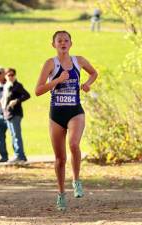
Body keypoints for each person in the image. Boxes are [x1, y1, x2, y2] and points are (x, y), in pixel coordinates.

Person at [35, 30, 98, 210]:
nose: (63, 43)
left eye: (66, 40)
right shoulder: (50, 64)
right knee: (60, 158)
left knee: (74, 145)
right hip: (56, 114)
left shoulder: (79, 61)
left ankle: (77, 180)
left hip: (75, 111)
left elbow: (94, 73)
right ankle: (61, 194)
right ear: (53, 44)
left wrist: (87, 84)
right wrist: (57, 80)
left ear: (71, 43)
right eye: (59, 40)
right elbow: (38, 90)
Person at [1, 68, 30, 163]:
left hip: (15, 114)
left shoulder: (17, 85)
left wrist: (16, 101)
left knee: (16, 135)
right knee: (13, 135)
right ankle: (18, 155)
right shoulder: (6, 86)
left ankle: (20, 156)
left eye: (12, 75)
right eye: (8, 75)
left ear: (15, 75)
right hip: (7, 114)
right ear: (5, 76)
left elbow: (27, 95)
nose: (10, 77)